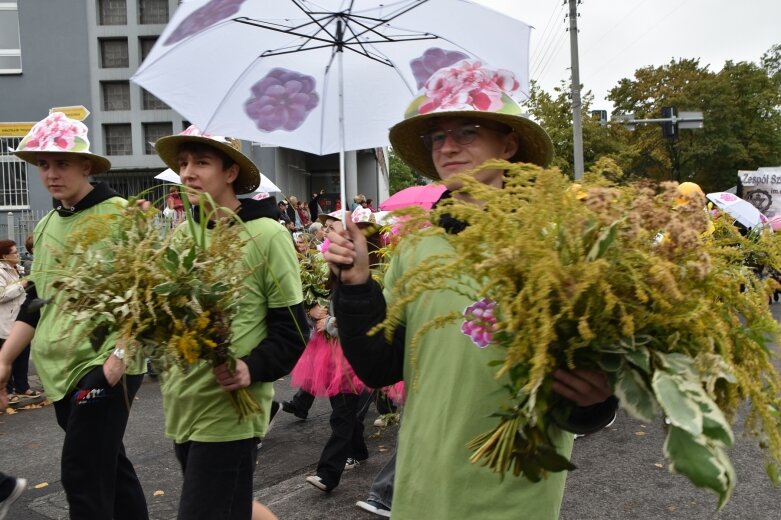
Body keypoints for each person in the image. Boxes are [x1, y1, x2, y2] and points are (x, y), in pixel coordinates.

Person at [323, 61, 616, 519]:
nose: (448, 146)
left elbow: (585, 379)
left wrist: (596, 400)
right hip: (423, 479)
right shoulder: (415, 244)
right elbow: (381, 366)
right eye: (437, 136)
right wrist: (357, 288)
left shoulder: (555, 241)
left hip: (514, 485)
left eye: (467, 131)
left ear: (509, 143)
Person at [0, 112, 149, 519]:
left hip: (102, 367)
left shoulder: (122, 214)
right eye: (43, 164)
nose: (51, 173)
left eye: (62, 163)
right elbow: (36, 300)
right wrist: (6, 358)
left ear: (87, 166)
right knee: (111, 471)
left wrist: (119, 355)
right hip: (58, 371)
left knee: (82, 474)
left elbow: (147, 291)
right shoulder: (47, 224)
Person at [154, 125, 308, 520]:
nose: (188, 173)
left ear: (231, 173)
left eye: (201, 162)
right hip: (183, 404)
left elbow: (293, 331)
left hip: (230, 414)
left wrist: (249, 367)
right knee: (233, 509)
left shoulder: (268, 234)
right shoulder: (182, 236)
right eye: (184, 163)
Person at [294, 210, 374, 494]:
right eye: (325, 228)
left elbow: (366, 321)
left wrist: (328, 321)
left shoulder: (368, 272)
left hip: (353, 359)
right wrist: (314, 309)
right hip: (334, 354)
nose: (326, 232)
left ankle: (328, 474)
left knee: (342, 416)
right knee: (346, 414)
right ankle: (360, 451)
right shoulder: (330, 266)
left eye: (332, 227)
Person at [0, 240, 39, 403]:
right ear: (4, 256)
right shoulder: (1, 272)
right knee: (9, 355)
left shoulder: (18, 269)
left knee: (23, 353)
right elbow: (1, 294)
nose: (18, 255)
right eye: (14, 253)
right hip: (6, 319)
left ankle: (23, 386)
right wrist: (21, 285)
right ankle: (7, 390)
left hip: (21, 317)